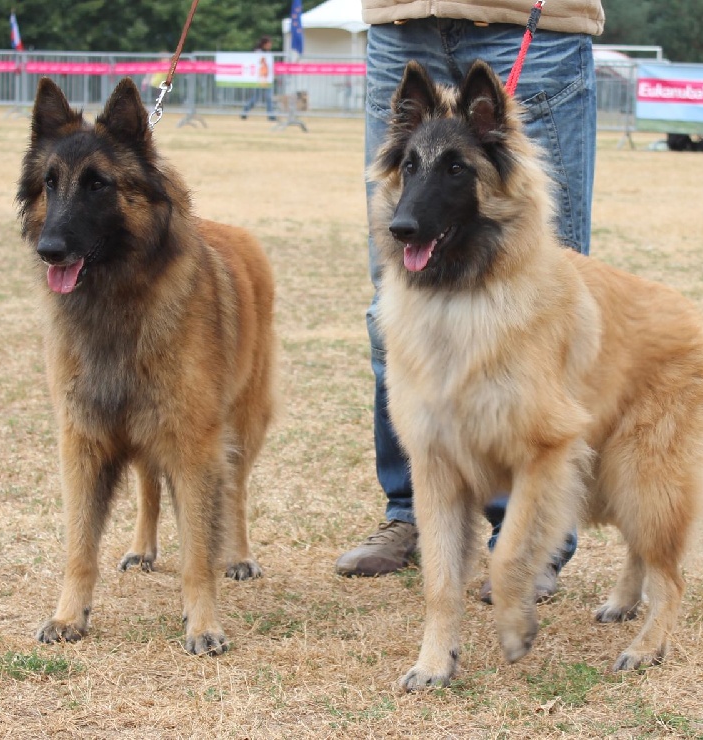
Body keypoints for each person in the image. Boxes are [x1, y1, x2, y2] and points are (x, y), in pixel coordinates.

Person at [335, 1, 605, 605]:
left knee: (541, 309)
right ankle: (411, 511)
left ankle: (526, 540)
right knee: (394, 316)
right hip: (400, 19)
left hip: (530, 20)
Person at [241, 35, 277, 121]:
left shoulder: (267, 53)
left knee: (268, 97)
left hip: (267, 77)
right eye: (269, 43)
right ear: (264, 44)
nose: (270, 45)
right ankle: (245, 110)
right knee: (256, 98)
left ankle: (270, 115)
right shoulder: (258, 52)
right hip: (259, 77)